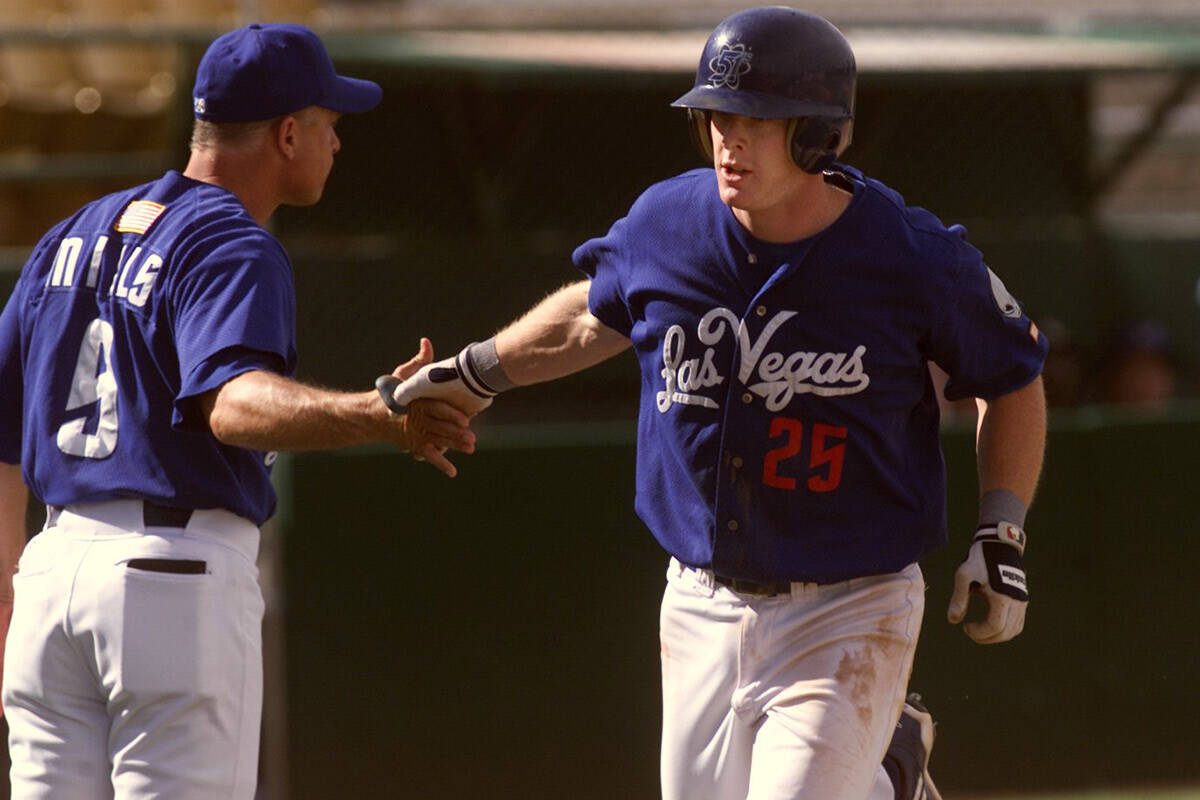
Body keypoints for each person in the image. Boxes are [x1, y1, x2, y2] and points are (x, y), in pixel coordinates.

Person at [386, 7, 1046, 800]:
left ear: (815, 133)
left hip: (850, 603)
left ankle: (881, 761)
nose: (729, 141)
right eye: (717, 118)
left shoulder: (908, 256)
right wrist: (477, 370)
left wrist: (999, 529)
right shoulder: (668, 222)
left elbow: (1012, 376)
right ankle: (886, 774)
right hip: (699, 598)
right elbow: (595, 312)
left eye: (756, 122)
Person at [0, 23, 474, 799]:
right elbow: (232, 404)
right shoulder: (230, 242)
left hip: (50, 577)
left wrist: (9, 598)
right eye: (329, 124)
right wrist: (378, 411)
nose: (337, 144)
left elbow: (2, 438)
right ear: (288, 133)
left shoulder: (68, 236)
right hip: (167, 578)